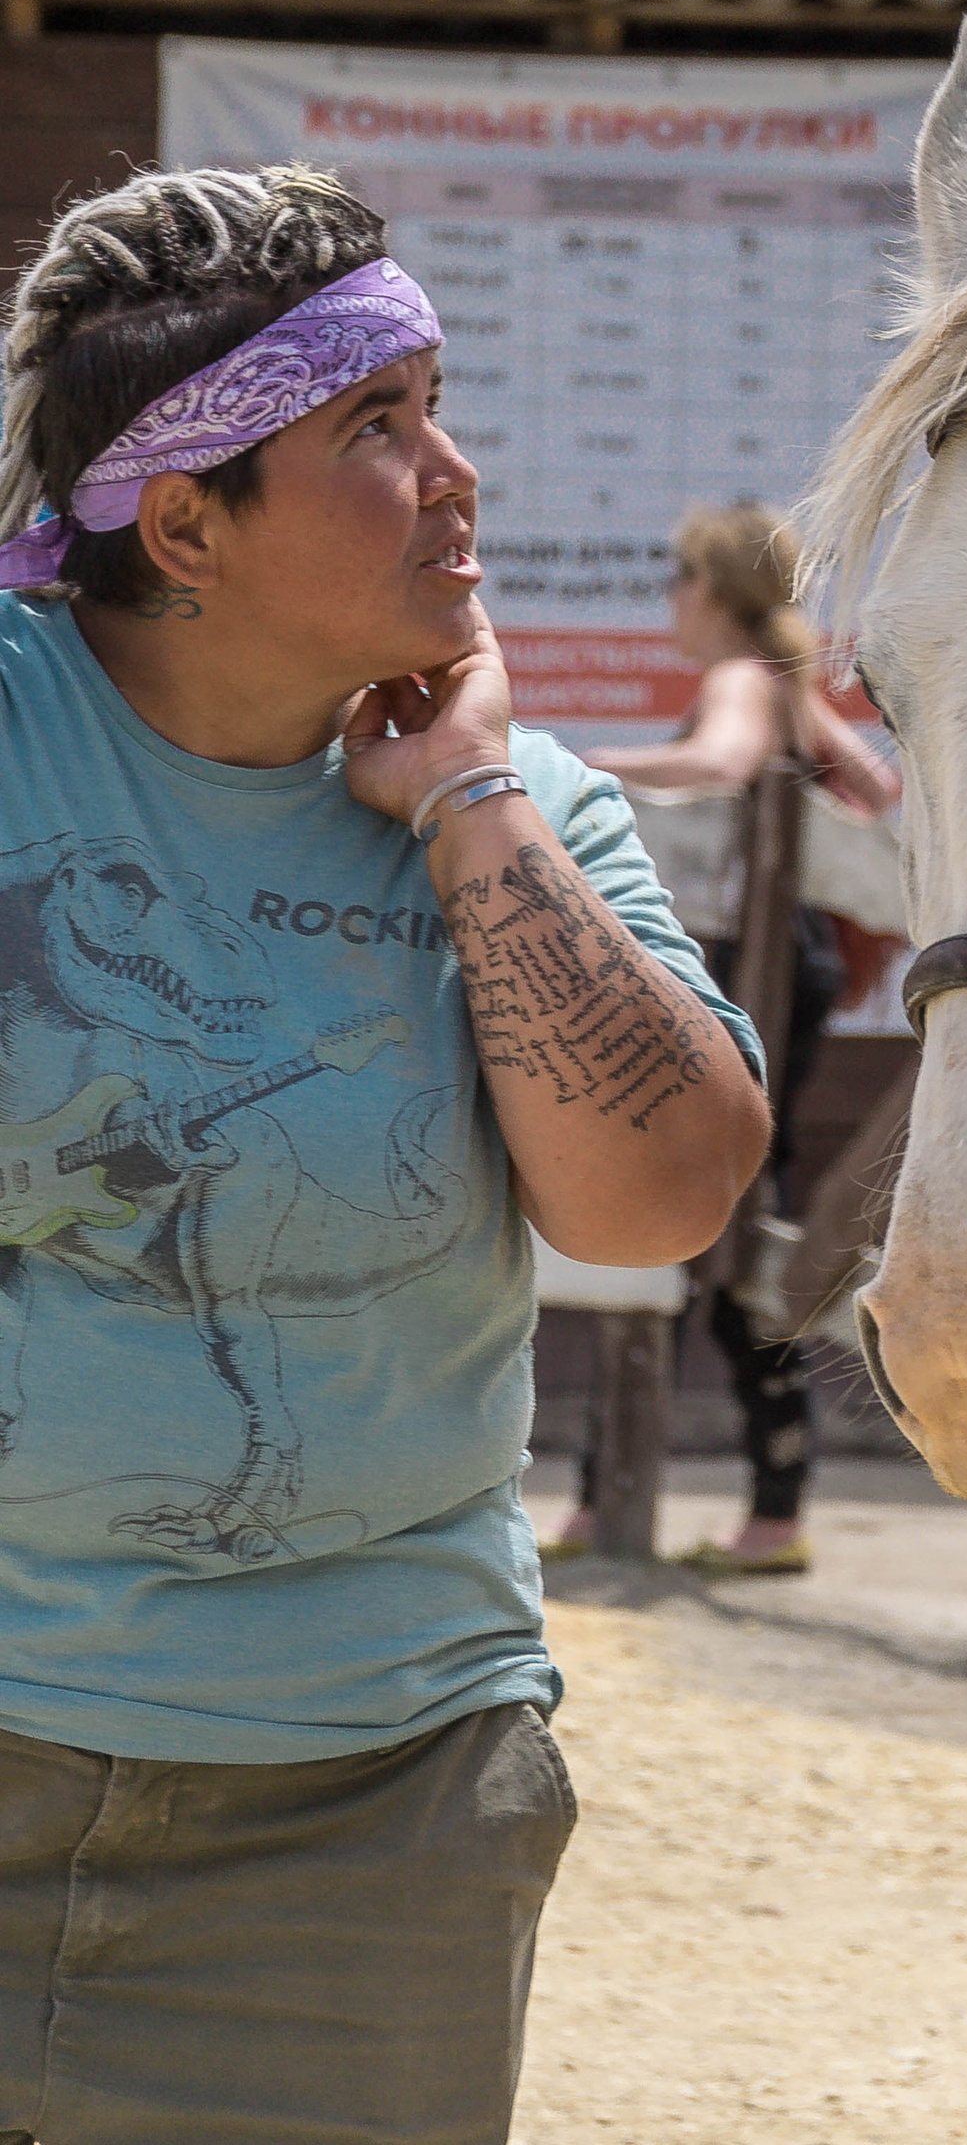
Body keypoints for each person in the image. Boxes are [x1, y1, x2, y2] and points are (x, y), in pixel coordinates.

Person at [0, 162, 770, 2143]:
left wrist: (467, 807)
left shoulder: (529, 813)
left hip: (372, 1807)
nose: (456, 472)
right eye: (379, 425)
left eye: (438, 406)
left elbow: (655, 1198)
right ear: (184, 520)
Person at [575, 501, 897, 1577]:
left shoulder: (741, 680)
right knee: (726, 1227)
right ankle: (767, 1507)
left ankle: (673, 1506)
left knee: (691, 1224)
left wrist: (571, 769)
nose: (668, 594)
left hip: (742, 970)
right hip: (784, 968)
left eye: (677, 573)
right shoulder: (789, 678)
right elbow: (878, 793)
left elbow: (717, 764)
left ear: (711, 588)